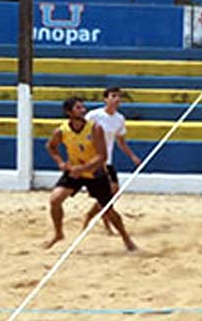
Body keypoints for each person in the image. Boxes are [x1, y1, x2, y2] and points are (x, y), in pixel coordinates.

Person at [44, 96, 137, 251]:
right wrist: (60, 162)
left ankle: (126, 238)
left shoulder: (95, 128)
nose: (83, 110)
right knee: (55, 200)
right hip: (75, 172)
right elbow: (51, 147)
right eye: (78, 108)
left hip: (95, 173)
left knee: (107, 208)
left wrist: (82, 169)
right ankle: (58, 233)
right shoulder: (61, 131)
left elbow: (102, 156)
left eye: (82, 107)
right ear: (68, 112)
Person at [84, 87, 142, 233]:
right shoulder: (94, 115)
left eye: (119, 97)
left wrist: (132, 156)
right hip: (94, 160)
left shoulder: (119, 119)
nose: (117, 99)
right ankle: (96, 218)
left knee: (113, 193)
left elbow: (121, 142)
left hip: (108, 160)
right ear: (105, 99)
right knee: (109, 192)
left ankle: (95, 217)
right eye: (113, 96)